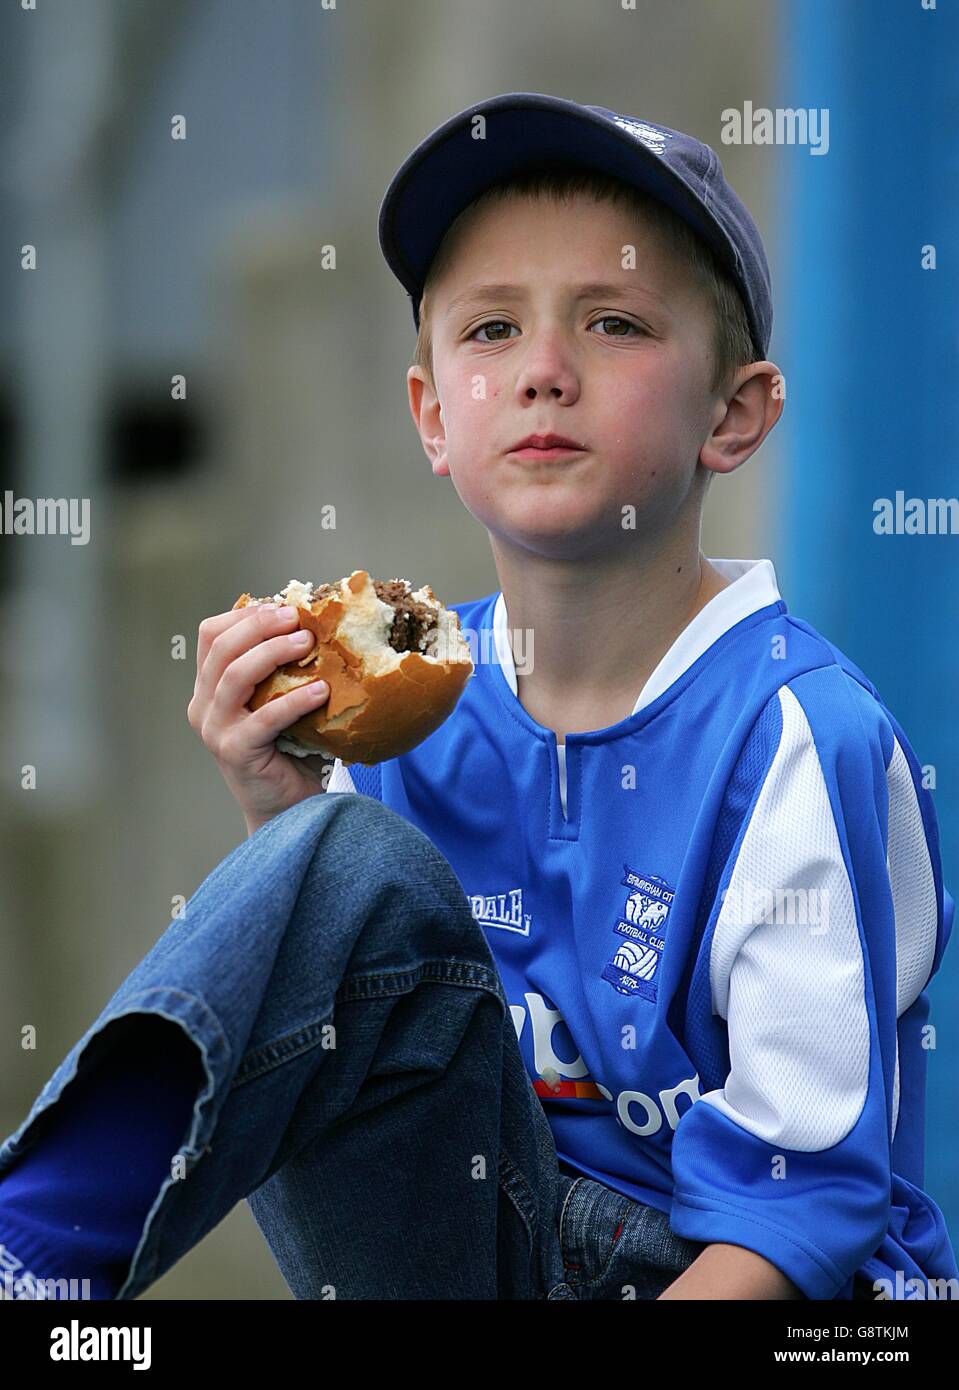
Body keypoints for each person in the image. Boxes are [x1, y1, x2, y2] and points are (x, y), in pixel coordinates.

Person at [1, 92, 955, 1303]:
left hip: (737, 1274)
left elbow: (800, 1209)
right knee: (340, 851)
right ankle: (36, 1256)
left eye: (612, 324)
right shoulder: (402, 702)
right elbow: (354, 1053)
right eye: (491, 330)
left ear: (733, 413)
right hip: (485, 1236)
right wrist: (283, 810)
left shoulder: (794, 733)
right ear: (432, 414)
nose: (543, 373)